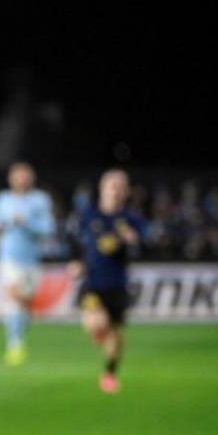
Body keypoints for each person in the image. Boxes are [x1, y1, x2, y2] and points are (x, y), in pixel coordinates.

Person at [70, 168, 144, 393]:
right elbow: (74, 240)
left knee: (117, 340)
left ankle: (109, 373)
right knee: (97, 323)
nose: (117, 190)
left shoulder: (130, 219)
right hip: (92, 282)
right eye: (113, 185)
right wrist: (75, 260)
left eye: (121, 186)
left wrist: (133, 240)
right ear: (102, 188)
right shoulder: (88, 215)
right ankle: (99, 331)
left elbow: (144, 242)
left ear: (127, 191)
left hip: (118, 284)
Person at [0, 161, 55, 365]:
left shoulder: (40, 200)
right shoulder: (3, 199)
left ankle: (19, 338)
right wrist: (4, 223)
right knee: (15, 297)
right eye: (18, 175)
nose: (21, 179)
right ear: (11, 178)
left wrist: (26, 222)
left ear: (32, 178)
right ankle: (14, 345)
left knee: (24, 302)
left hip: (31, 258)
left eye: (25, 175)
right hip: (8, 256)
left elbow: (47, 228)